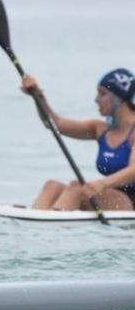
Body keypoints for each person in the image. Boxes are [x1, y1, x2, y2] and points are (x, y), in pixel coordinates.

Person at [23, 68, 135, 211]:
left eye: (103, 94)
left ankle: (55, 221)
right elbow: (54, 124)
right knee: (52, 186)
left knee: (77, 187)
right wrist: (38, 96)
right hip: (110, 195)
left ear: (119, 97)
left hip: (130, 201)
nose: (96, 99)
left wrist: (102, 183)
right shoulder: (100, 129)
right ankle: (36, 224)